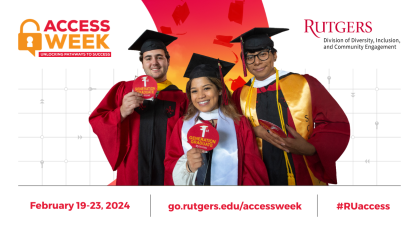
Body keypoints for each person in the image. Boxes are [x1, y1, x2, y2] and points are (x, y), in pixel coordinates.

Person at [230, 28, 350, 185]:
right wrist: (254, 130)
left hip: (302, 167)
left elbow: (333, 122)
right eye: (250, 57)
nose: (257, 62)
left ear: (274, 55)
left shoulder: (304, 84)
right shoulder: (240, 94)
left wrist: (311, 148)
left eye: (263, 54)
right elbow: (233, 129)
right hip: (258, 172)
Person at [89, 30, 188, 185]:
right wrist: (120, 112)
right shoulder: (124, 90)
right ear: (142, 63)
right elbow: (97, 119)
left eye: (159, 57)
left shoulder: (181, 98)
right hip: (132, 172)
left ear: (168, 61)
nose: (154, 62)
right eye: (148, 58)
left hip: (167, 175)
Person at [164, 53, 269, 185]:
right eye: (194, 91)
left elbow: (252, 169)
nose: (201, 95)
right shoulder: (182, 124)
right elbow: (170, 163)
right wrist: (187, 167)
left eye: (206, 88)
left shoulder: (239, 124)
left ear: (220, 90)